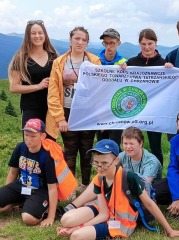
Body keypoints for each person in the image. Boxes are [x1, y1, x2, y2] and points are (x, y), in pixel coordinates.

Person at [56, 139, 179, 239]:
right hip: (105, 213)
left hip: (121, 221)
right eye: (96, 162)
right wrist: (76, 226)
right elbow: (104, 214)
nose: (99, 167)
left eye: (104, 163)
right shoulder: (99, 178)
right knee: (66, 220)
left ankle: (86, 227)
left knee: (76, 236)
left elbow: (149, 203)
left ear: (116, 161)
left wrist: (170, 230)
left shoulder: (129, 177)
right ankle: (84, 225)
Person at [46, 26, 101, 199]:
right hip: (67, 111)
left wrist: (99, 118)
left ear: (87, 42)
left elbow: (100, 90)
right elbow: (53, 92)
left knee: (86, 150)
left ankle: (85, 186)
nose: (79, 42)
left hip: (86, 113)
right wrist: (60, 118)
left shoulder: (94, 61)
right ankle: (70, 187)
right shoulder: (59, 62)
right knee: (69, 151)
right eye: (76, 38)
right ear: (70, 40)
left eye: (83, 39)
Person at [61, 127, 162, 213]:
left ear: (141, 144)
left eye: (131, 144)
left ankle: (90, 206)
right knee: (100, 177)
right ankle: (73, 206)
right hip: (126, 190)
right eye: (125, 143)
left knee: (105, 181)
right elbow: (107, 172)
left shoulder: (151, 161)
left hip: (145, 196)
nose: (128, 147)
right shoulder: (122, 156)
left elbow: (142, 185)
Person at [121, 28, 168, 165]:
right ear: (139, 44)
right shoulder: (132, 62)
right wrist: (122, 68)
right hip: (135, 110)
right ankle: (131, 173)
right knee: (132, 144)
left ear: (155, 43)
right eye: (143, 44)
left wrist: (170, 69)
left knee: (155, 146)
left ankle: (157, 176)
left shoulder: (163, 63)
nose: (147, 47)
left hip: (155, 111)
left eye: (150, 43)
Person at [0, 119, 58, 227]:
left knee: (28, 219)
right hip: (21, 185)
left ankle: (39, 208)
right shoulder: (20, 147)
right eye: (26, 135)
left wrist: (51, 217)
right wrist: (7, 195)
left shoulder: (48, 156)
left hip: (39, 190)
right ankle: (17, 202)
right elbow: (13, 172)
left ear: (42, 136)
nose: (28, 139)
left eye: (33, 136)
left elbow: (52, 187)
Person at [8, 20, 58, 131]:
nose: (37, 36)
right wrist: (38, 86)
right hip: (30, 108)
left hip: (52, 108)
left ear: (45, 35)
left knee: (49, 144)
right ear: (28, 36)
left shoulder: (54, 56)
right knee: (31, 143)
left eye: (40, 33)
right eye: (33, 33)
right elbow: (14, 87)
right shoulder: (20, 58)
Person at [96, 28, 127, 147]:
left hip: (116, 110)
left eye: (112, 43)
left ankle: (115, 166)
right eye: (106, 43)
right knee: (101, 144)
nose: (109, 47)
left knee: (114, 145)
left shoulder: (124, 63)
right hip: (99, 109)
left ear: (118, 43)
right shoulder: (95, 61)